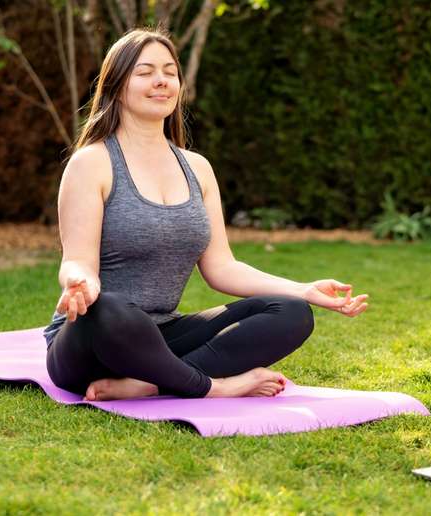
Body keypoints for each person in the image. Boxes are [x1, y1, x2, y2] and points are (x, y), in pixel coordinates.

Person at [43, 28, 369, 402]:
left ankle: (150, 384)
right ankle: (213, 386)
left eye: (169, 71)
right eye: (145, 71)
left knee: (291, 312)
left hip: (162, 335)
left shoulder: (197, 168)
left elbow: (221, 268)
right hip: (93, 339)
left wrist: (303, 289)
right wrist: (81, 285)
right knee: (110, 308)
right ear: (117, 85)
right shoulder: (93, 163)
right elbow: (77, 261)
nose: (161, 81)